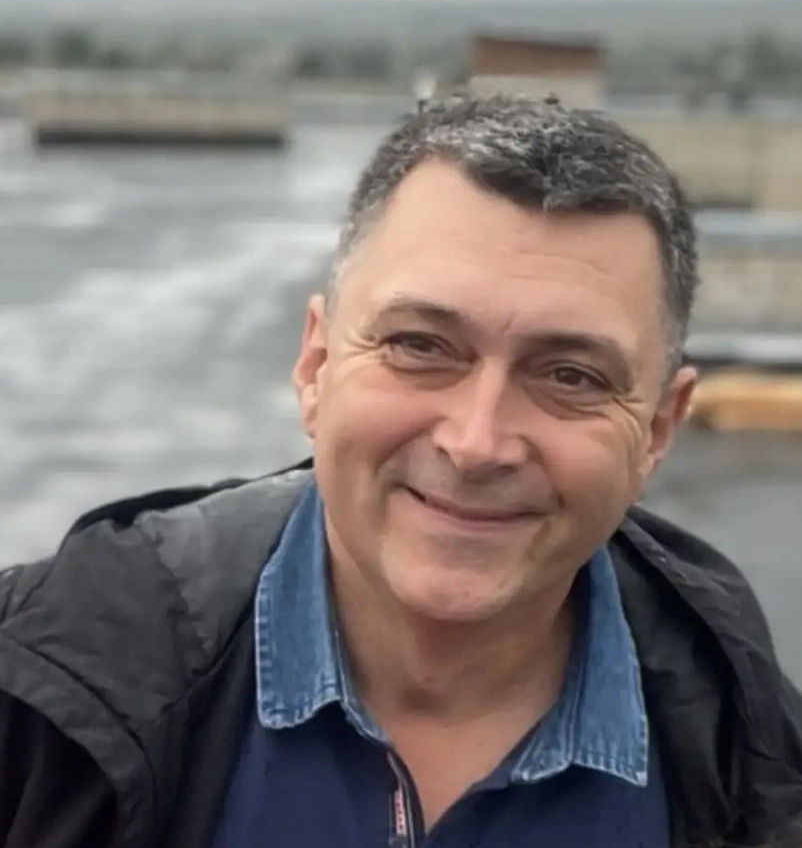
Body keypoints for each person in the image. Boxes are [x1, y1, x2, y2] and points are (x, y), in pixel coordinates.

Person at [1, 94, 801, 848]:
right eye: (420, 346)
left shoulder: (750, 754)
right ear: (315, 364)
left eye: (571, 376)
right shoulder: (36, 696)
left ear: (659, 427)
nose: (477, 442)